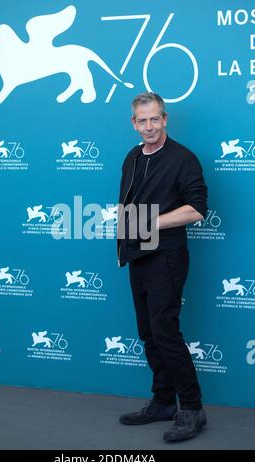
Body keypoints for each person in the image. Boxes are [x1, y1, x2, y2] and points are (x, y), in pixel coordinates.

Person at [117, 92, 208, 442]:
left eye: (155, 119)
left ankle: (192, 408)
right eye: (143, 120)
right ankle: (163, 401)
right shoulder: (131, 158)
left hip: (166, 258)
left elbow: (196, 209)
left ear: (165, 119)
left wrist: (150, 222)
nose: (149, 126)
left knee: (165, 332)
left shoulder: (184, 159)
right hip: (137, 258)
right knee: (148, 334)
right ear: (134, 123)